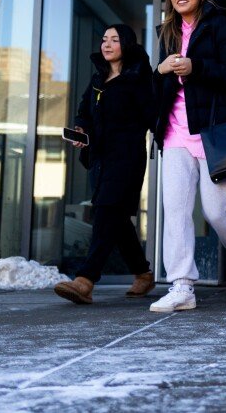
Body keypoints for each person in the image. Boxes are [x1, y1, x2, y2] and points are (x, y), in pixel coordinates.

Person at [148, 0, 226, 313]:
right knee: (176, 212)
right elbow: (159, 86)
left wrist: (195, 67)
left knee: (217, 211)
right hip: (175, 132)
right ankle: (182, 286)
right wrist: (160, 71)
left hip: (212, 132)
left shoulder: (220, 24)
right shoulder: (168, 33)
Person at [54, 24, 156, 305]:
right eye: (104, 39)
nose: (107, 45)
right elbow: (84, 111)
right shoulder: (99, 77)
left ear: (127, 44)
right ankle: (143, 273)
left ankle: (85, 280)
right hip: (100, 157)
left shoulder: (139, 77)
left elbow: (151, 115)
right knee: (117, 218)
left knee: (106, 211)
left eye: (114, 40)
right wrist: (81, 130)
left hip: (126, 157)